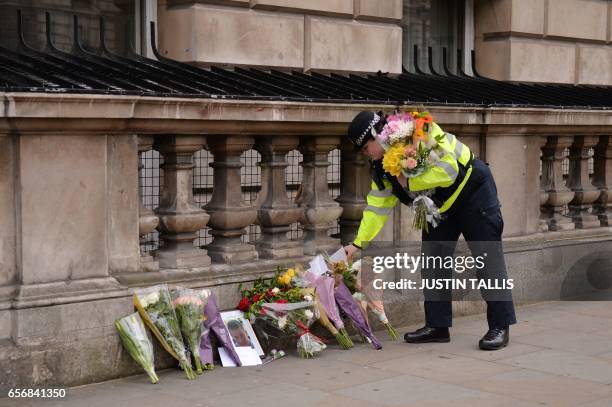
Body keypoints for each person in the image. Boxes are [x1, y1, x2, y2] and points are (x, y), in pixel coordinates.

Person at [343, 111, 516, 350]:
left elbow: (448, 170)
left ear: (376, 136)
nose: (365, 155)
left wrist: (410, 182)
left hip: (472, 192)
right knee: (433, 263)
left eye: (364, 149)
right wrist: (356, 244)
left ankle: (500, 325)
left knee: (488, 260)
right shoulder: (381, 166)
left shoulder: (418, 132)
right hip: (439, 207)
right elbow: (377, 206)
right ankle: (437, 325)